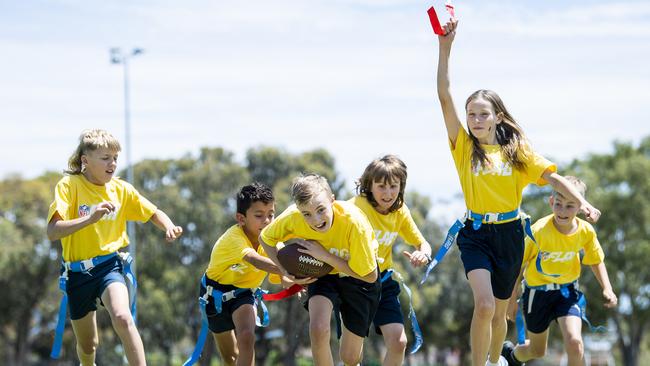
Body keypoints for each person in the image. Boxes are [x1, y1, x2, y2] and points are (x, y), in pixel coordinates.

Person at [434, 19, 602, 366]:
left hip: (510, 235)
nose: (476, 120)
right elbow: (443, 95)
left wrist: (582, 202)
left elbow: (555, 179)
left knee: (498, 315)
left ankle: (496, 360)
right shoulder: (464, 147)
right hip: (476, 233)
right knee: (483, 306)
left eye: (483, 114)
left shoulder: (517, 153)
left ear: (497, 117)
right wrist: (445, 48)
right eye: (471, 115)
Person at [47, 129, 183, 366]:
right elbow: (53, 231)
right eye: (105, 158)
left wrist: (169, 226)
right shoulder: (69, 185)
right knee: (88, 345)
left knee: (122, 317)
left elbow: (153, 212)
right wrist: (89, 218)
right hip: (77, 274)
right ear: (85, 161)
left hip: (109, 266)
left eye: (115, 158)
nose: (113, 164)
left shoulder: (122, 189)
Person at [259, 173, 381, 366]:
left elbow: (370, 276)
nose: (315, 220)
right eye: (306, 213)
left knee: (350, 358)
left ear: (332, 201)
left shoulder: (354, 224)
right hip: (322, 275)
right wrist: (285, 271)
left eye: (321, 209)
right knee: (318, 329)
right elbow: (265, 238)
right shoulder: (293, 217)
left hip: (359, 277)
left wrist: (325, 256)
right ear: (299, 210)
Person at [502, 176, 617, 366]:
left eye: (570, 206)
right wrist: (510, 300)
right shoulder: (538, 231)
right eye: (558, 204)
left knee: (575, 343)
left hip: (567, 292)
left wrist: (607, 288)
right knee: (537, 351)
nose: (562, 211)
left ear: (581, 207)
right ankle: (511, 356)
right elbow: (518, 265)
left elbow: (596, 260)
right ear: (551, 202)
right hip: (537, 294)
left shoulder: (585, 232)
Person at [350, 155, 432, 365]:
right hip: (351, 283)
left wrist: (423, 254)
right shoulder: (355, 207)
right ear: (369, 185)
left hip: (383, 283)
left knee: (398, 342)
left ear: (401, 186)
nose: (388, 193)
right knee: (351, 357)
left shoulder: (400, 211)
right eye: (381, 186)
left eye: (393, 186)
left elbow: (423, 244)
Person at [191, 182, 285, 366]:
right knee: (230, 357)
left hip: (244, 294)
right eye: (259, 216)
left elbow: (283, 265)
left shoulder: (273, 241)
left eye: (271, 215)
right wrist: (286, 269)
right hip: (214, 296)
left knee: (247, 337)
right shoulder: (233, 238)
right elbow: (254, 259)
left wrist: (293, 279)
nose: (267, 221)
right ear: (241, 219)